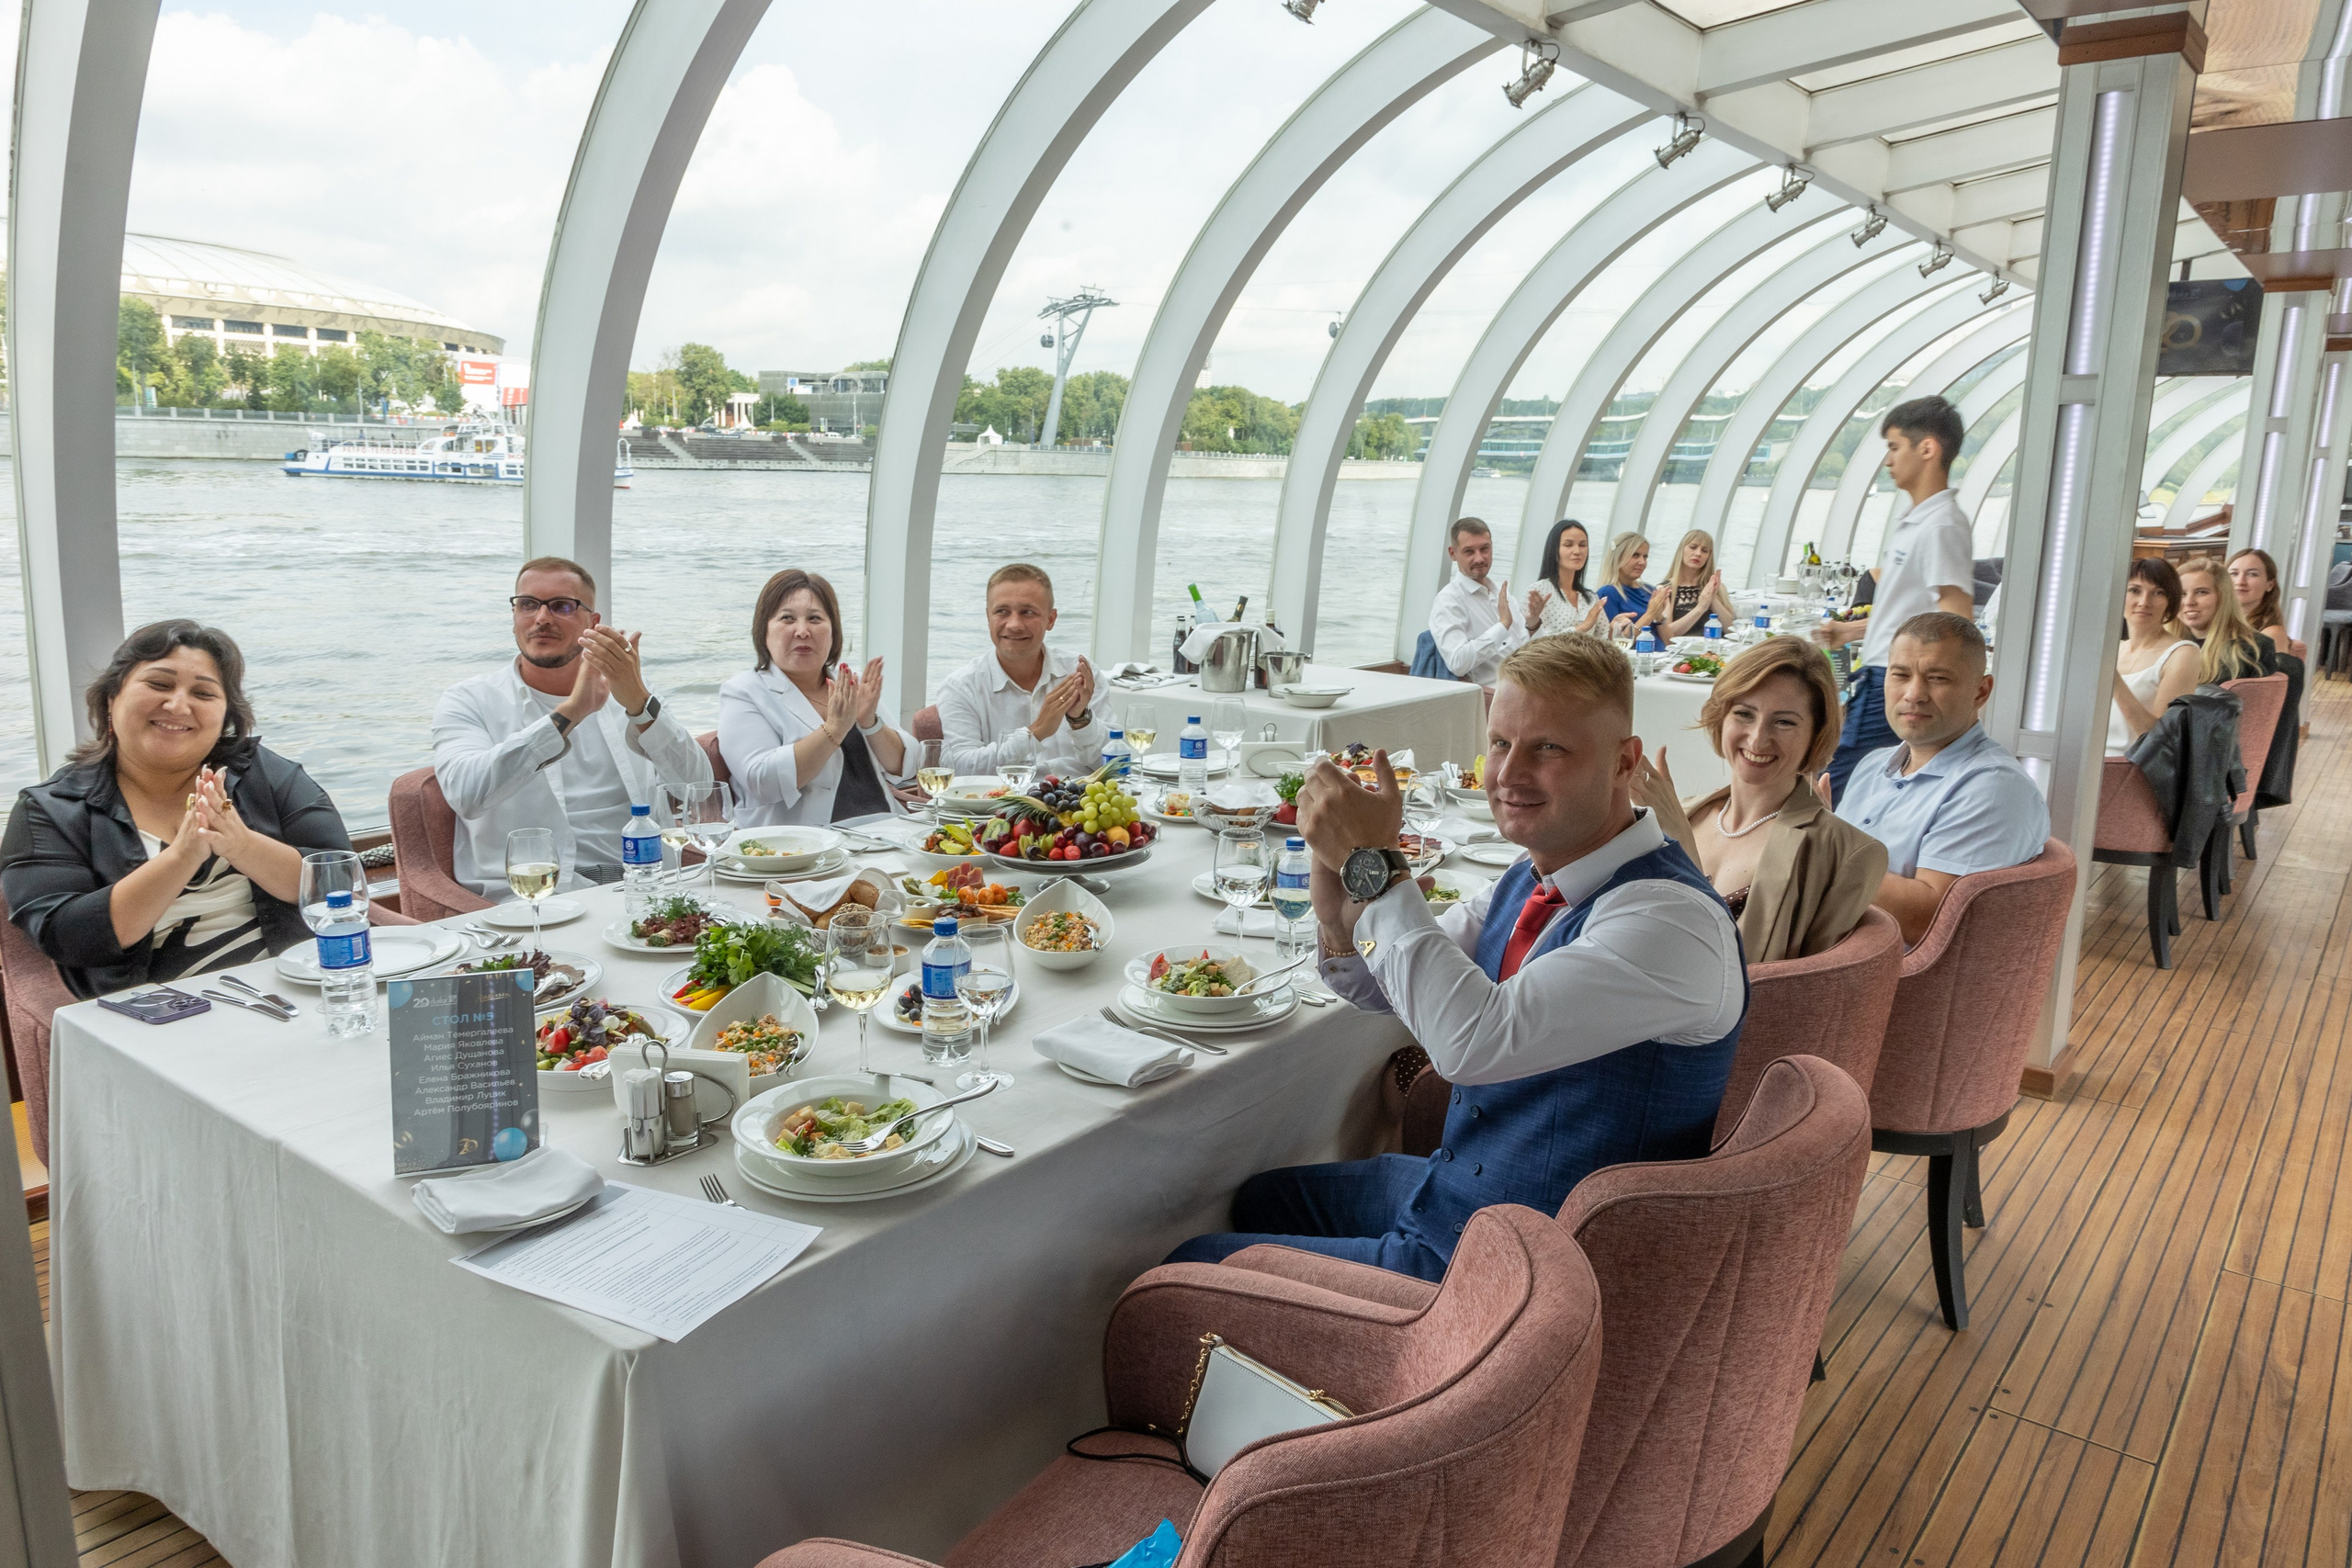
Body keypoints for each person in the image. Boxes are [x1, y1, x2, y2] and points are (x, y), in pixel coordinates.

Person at [1165, 634, 1747, 1281]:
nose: (1508, 774)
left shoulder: (1671, 922)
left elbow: (1469, 1041)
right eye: (1500, 743)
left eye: (1547, 747)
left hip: (1527, 1277)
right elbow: (1398, 987)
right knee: (1260, 1199)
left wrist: (1378, 867)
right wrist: (1338, 916)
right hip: (1465, 1202)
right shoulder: (1532, 877)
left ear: (1623, 760)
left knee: (1188, 1266)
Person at [2, 620, 354, 998]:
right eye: (158, 684)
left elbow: (340, 879)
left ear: (224, 718)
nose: (178, 705)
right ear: (111, 699)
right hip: (154, 1013)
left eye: (203, 693)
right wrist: (183, 857)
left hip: (292, 989)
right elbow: (68, 938)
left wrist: (241, 845)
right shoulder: (51, 809)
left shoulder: (263, 773)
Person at [431, 557, 710, 899]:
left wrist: (639, 704)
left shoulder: (628, 692)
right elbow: (466, 795)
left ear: (591, 622)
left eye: (561, 606)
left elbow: (698, 786)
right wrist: (570, 712)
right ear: (514, 615)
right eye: (528, 605)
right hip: (536, 897)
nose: (542, 618)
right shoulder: (469, 699)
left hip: (647, 884)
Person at [1634, 636, 1886, 963]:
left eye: (1784, 722)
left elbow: (1796, 994)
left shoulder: (1846, 854)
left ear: (1816, 734)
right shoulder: (1680, 812)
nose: (1758, 738)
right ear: (1720, 716)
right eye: (1744, 714)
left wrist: (1678, 846)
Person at [1832, 613, 2048, 946]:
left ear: (1980, 691)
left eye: (1938, 678)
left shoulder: (1992, 787)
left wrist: (1822, 851)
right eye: (1900, 675)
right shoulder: (1873, 766)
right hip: (1828, 951)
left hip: (1885, 981)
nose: (1914, 694)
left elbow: (1930, 917)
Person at [1814, 397, 1976, 800]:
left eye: (1893, 446)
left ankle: (1826, 863)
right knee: (1859, 784)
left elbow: (1956, 618)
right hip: (1880, 674)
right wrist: (1848, 632)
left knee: (1840, 784)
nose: (1887, 460)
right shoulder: (1917, 522)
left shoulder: (1941, 525)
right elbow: (1914, 616)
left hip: (1900, 679)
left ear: (1927, 449)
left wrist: (1945, 693)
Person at [719, 570, 914, 826]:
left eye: (815, 619)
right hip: (799, 848)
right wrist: (834, 730)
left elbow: (908, 768)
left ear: (833, 631)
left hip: (884, 831)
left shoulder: (848, 682)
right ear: (763, 631)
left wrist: (869, 723)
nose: (802, 631)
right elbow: (762, 782)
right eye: (787, 619)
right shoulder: (743, 691)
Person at [934, 563, 1104, 778]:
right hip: (1000, 807)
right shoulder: (961, 686)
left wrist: (1081, 720)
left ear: (1050, 620)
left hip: (1082, 802)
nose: (1014, 624)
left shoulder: (1081, 673)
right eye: (1002, 612)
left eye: (1028, 612)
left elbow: (1117, 763)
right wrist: (1036, 733)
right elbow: (958, 768)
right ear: (988, 617)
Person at [2109, 558, 2199, 758]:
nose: (2144, 602)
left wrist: (2113, 681)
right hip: (2086, 760)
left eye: (2158, 593)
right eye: (2134, 590)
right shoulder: (2113, 649)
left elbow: (2160, 740)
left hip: (2130, 768)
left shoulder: (2182, 654)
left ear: (2171, 601)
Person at [1427, 517, 1526, 684]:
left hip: (1525, 687)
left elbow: (1525, 645)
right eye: (1469, 551)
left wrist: (1533, 623)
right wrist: (1502, 626)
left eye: (1484, 549)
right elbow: (1457, 662)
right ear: (1453, 554)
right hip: (1491, 695)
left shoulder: (1503, 593)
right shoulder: (1449, 600)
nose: (1479, 558)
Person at [2175, 556, 2271, 683]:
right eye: (2182, 594)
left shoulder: (2251, 648)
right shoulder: (2163, 644)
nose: (2189, 602)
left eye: (2201, 592)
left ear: (2223, 597)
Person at [1634, 529, 1741, 640]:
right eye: (1693, 547)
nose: (1698, 553)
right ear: (1682, 550)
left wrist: (1713, 599)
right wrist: (1700, 608)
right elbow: (1668, 633)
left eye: (1704, 551)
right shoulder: (1666, 589)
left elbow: (1732, 630)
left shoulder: (1717, 587)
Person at [1524, 519, 1603, 637]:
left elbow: (1604, 640)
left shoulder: (1591, 597)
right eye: (1568, 545)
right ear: (1554, 550)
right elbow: (1530, 643)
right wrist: (1582, 628)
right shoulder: (1540, 590)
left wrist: (1616, 627)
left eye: (1582, 545)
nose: (1577, 551)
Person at [2227, 547, 2291, 653]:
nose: (2240, 581)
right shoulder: (2214, 622)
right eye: (2234, 574)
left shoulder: (2272, 634)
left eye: (2252, 574)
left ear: (2270, 584)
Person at [1596, 532, 1654, 632]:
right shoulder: (1608, 593)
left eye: (1645, 557)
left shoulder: (1650, 590)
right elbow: (1615, 640)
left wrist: (1661, 618)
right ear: (1618, 558)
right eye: (1635, 555)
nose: (1642, 562)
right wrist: (1651, 614)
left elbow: (1667, 639)